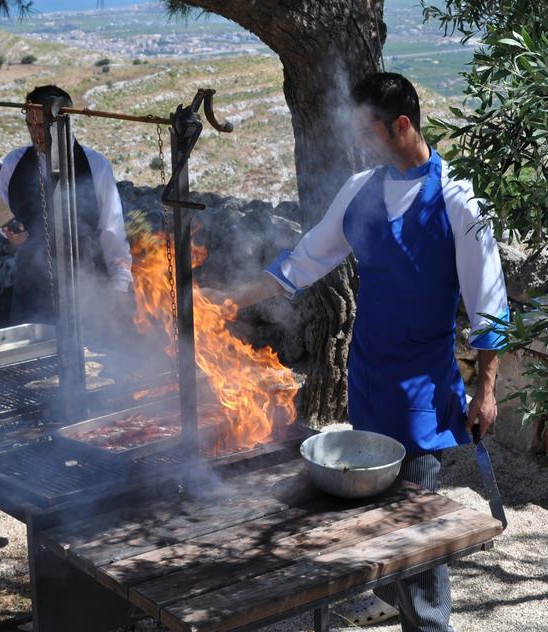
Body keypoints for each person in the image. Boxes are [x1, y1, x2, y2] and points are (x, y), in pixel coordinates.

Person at [210, 72, 509, 632]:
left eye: (367, 133)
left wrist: (486, 391)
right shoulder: (358, 191)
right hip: (368, 379)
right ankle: (393, 601)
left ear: (401, 125)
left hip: (424, 388)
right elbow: (301, 265)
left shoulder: (458, 200)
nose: (361, 145)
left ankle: (427, 624)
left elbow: (489, 305)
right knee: (373, 514)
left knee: (416, 524)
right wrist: (229, 299)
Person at [0, 85, 134, 335]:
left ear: (63, 122)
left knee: (90, 361)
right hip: (31, 285)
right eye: (29, 125)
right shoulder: (13, 163)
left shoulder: (96, 165)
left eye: (41, 127)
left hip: (86, 285)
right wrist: (9, 232)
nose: (35, 134)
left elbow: (111, 230)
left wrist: (120, 284)